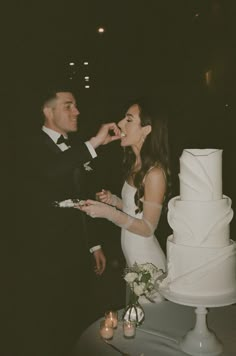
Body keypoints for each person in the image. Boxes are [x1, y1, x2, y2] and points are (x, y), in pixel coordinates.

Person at [16, 85, 121, 356]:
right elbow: (51, 171)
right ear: (48, 111)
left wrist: (94, 244)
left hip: (76, 250)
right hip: (43, 254)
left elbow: (80, 196)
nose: (77, 111)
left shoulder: (77, 148)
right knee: (47, 321)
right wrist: (94, 143)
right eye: (68, 105)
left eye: (75, 105)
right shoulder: (28, 145)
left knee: (76, 313)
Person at [77, 97, 171, 303]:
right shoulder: (135, 165)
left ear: (146, 129)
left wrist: (109, 213)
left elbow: (148, 228)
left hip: (148, 263)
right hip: (132, 259)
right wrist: (114, 201)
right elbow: (133, 209)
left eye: (128, 119)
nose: (120, 124)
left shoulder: (155, 173)